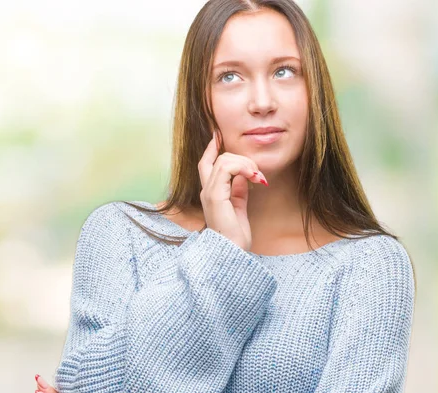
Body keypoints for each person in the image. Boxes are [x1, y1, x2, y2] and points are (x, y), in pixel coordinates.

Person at [34, 0, 416, 392]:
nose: (263, 102)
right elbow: (87, 386)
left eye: (284, 71)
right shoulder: (122, 235)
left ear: (314, 92)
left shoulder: (370, 266)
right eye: (230, 77)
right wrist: (220, 256)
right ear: (201, 101)